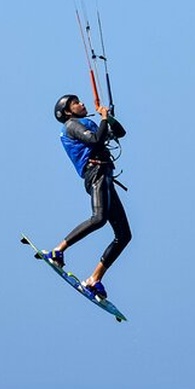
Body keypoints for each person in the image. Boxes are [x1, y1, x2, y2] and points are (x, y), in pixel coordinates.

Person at [45, 94, 131, 300]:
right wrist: (102, 119)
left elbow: (121, 132)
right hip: (96, 174)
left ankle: (94, 279)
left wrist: (108, 118)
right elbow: (95, 140)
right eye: (75, 103)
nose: (81, 103)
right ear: (67, 111)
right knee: (98, 219)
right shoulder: (71, 125)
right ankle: (57, 251)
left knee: (124, 235)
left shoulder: (88, 123)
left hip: (106, 177)